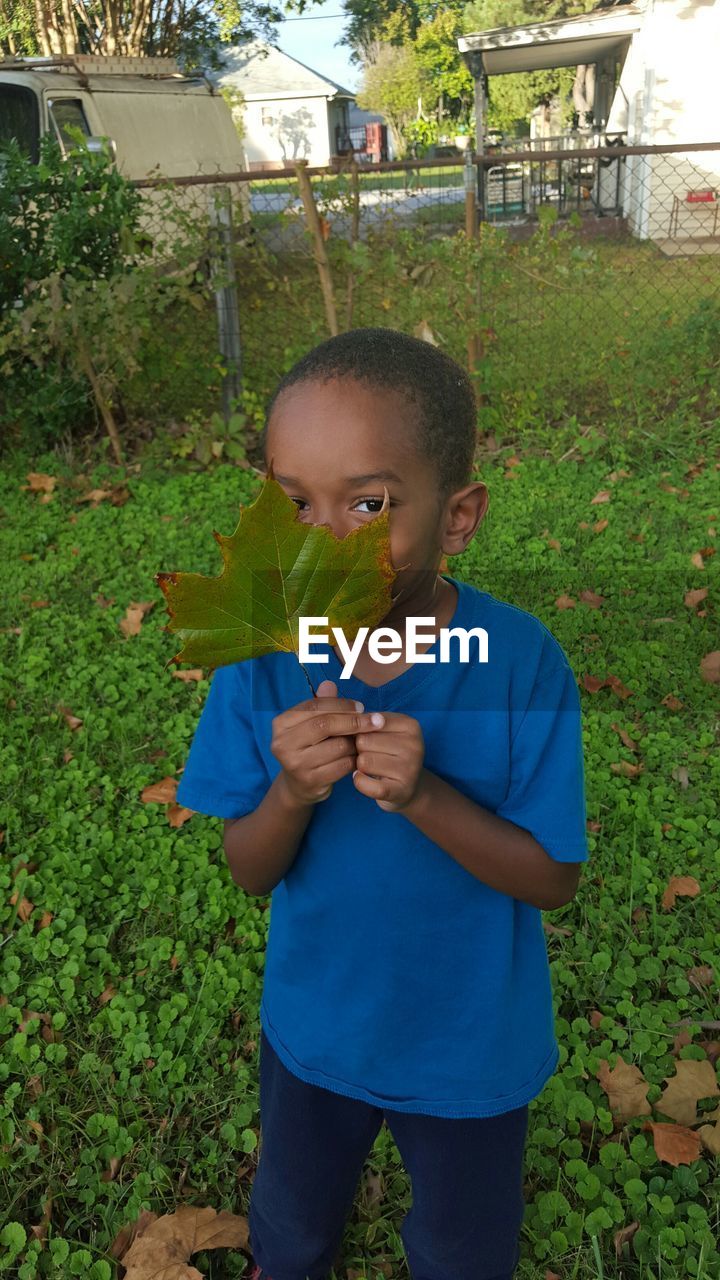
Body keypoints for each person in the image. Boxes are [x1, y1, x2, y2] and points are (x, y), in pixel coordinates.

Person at [175, 328, 590, 1280]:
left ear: (457, 516)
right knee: (292, 1229)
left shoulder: (520, 664)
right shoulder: (263, 652)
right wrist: (290, 789)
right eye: (294, 504)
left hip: (468, 1049)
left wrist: (425, 795)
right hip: (315, 1031)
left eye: (369, 503)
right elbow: (248, 870)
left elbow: (552, 877)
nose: (324, 542)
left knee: (460, 1248)